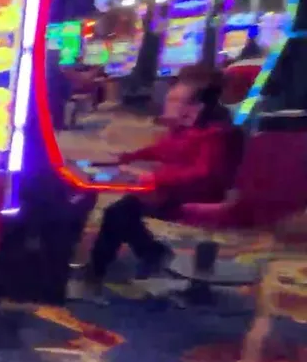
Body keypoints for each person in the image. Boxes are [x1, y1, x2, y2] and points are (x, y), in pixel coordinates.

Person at [81, 65, 240, 292]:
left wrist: (155, 177)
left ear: (198, 104)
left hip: (200, 197)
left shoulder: (217, 133)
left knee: (120, 212)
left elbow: (204, 174)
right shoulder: (190, 127)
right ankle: (149, 253)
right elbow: (164, 150)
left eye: (176, 100)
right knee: (122, 210)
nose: (168, 103)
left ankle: (98, 273)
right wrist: (125, 157)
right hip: (176, 190)